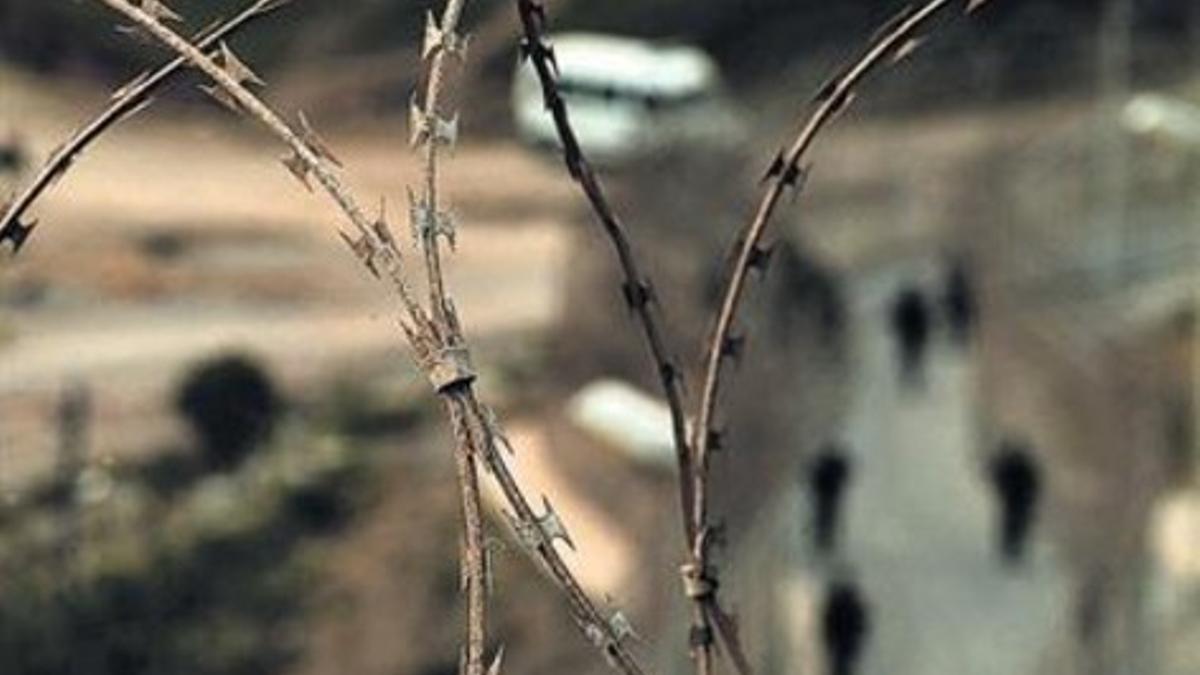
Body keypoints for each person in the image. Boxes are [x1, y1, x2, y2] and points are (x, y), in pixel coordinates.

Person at [987, 439, 1041, 566]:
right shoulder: (1024, 466)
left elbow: (998, 479)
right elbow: (1034, 484)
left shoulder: (1010, 465)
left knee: (1013, 525)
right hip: (1017, 500)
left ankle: (1011, 550)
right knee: (1017, 526)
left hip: (1015, 500)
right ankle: (1012, 551)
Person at [808, 443, 853, 555]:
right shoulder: (835, 463)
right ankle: (824, 539)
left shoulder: (823, 463)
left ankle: (823, 539)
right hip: (829, 493)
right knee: (828, 516)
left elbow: (812, 475)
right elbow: (845, 474)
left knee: (823, 516)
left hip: (826, 493)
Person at [822, 577, 870, 675]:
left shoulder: (840, 603)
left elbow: (829, 621)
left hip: (841, 642)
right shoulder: (853, 605)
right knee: (843, 663)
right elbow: (860, 625)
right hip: (846, 642)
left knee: (840, 663)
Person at [889, 285, 930, 386]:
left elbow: (896, 322)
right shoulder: (919, 306)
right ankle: (917, 380)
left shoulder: (903, 307)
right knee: (916, 360)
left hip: (907, 338)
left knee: (907, 360)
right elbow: (925, 323)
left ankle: (907, 380)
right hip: (915, 337)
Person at [942, 257, 976, 345]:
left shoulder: (958, 323)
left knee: (956, 279)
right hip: (959, 297)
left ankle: (955, 264)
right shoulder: (960, 323)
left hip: (957, 297)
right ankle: (956, 264)